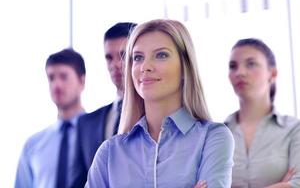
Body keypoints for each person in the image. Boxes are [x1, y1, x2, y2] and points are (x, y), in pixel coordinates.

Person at [85, 19, 234, 188]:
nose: (145, 66)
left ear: (185, 66)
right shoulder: (109, 152)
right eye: (138, 57)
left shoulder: (213, 138)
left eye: (161, 55)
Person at [225, 38, 300, 188]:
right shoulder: (218, 133)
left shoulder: (294, 129)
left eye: (251, 64)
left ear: (272, 74)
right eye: (233, 66)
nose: (240, 72)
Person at [15, 49, 86, 188]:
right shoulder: (33, 145)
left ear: (82, 81)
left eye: (64, 76)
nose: (56, 85)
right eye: (51, 78)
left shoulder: (98, 136)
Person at [75, 22, 137, 181]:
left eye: (123, 55)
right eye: (109, 58)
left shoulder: (158, 117)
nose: (115, 65)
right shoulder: (86, 123)